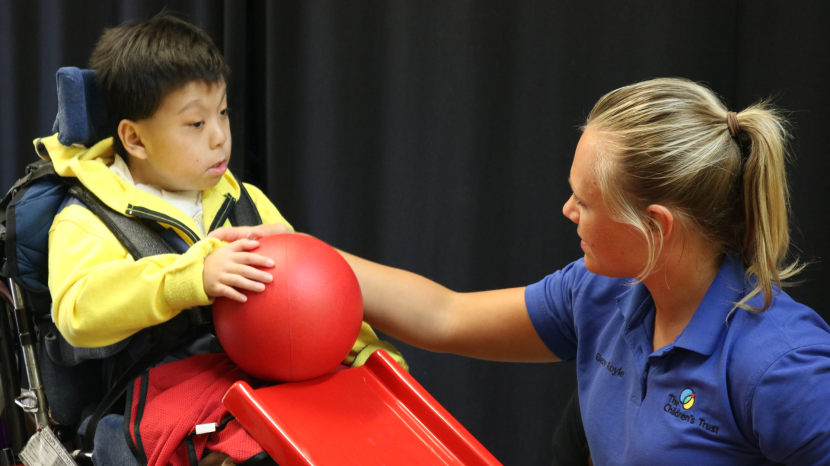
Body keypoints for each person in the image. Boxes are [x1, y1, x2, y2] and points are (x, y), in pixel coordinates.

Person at [324, 78, 830, 464]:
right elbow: (445, 316)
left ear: (655, 227)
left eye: (585, 201)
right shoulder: (600, 293)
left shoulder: (781, 367)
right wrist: (300, 250)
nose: (568, 210)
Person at [45, 13, 403, 466]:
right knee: (261, 449)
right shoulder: (87, 218)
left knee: (362, 426)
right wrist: (187, 279)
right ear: (134, 138)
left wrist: (364, 355)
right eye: (195, 124)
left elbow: (307, 294)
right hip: (164, 390)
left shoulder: (244, 200)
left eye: (223, 113)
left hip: (263, 378)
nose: (220, 138)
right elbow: (78, 313)